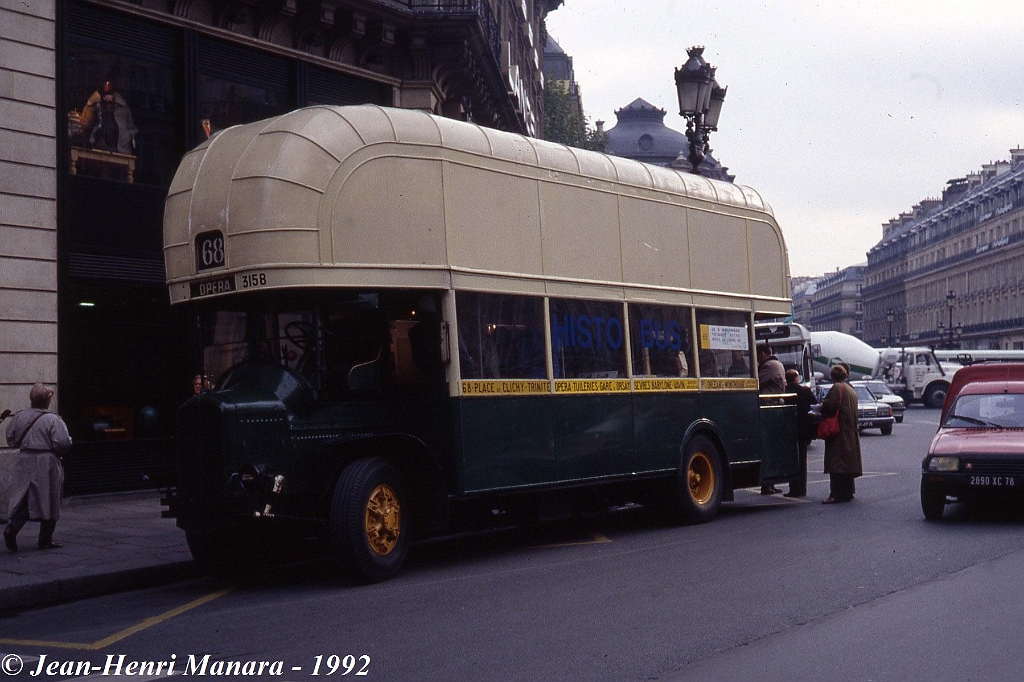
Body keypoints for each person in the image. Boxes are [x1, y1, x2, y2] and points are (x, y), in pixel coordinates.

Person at [4, 383, 72, 552]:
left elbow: (11, 439)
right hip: (46, 462)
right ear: (47, 401)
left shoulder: (19, 417)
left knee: (27, 499)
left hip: (25, 460)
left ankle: (12, 528)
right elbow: (62, 443)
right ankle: (45, 538)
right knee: (50, 497)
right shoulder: (53, 420)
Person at [820, 364, 862, 504]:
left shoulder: (837, 388)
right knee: (847, 465)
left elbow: (829, 405)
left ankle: (835, 494)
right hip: (850, 431)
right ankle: (847, 492)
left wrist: (821, 406)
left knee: (836, 464)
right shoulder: (850, 389)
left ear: (833, 376)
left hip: (839, 432)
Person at [78, 80, 138, 155]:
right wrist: (91, 104)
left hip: (119, 149)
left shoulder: (123, 107)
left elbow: (131, 128)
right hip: (96, 147)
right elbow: (84, 125)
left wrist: (126, 139)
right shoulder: (94, 104)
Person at [757, 343, 787, 494]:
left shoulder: (769, 366)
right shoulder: (779, 364)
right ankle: (770, 483)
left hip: (768, 408)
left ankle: (767, 484)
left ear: (763, 354)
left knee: (767, 449)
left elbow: (756, 383)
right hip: (776, 408)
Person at [783, 369, 817, 498]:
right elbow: (814, 404)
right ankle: (802, 488)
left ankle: (793, 488)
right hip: (803, 429)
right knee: (802, 460)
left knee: (792, 460)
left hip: (789, 429)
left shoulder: (785, 391)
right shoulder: (804, 391)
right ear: (796, 378)